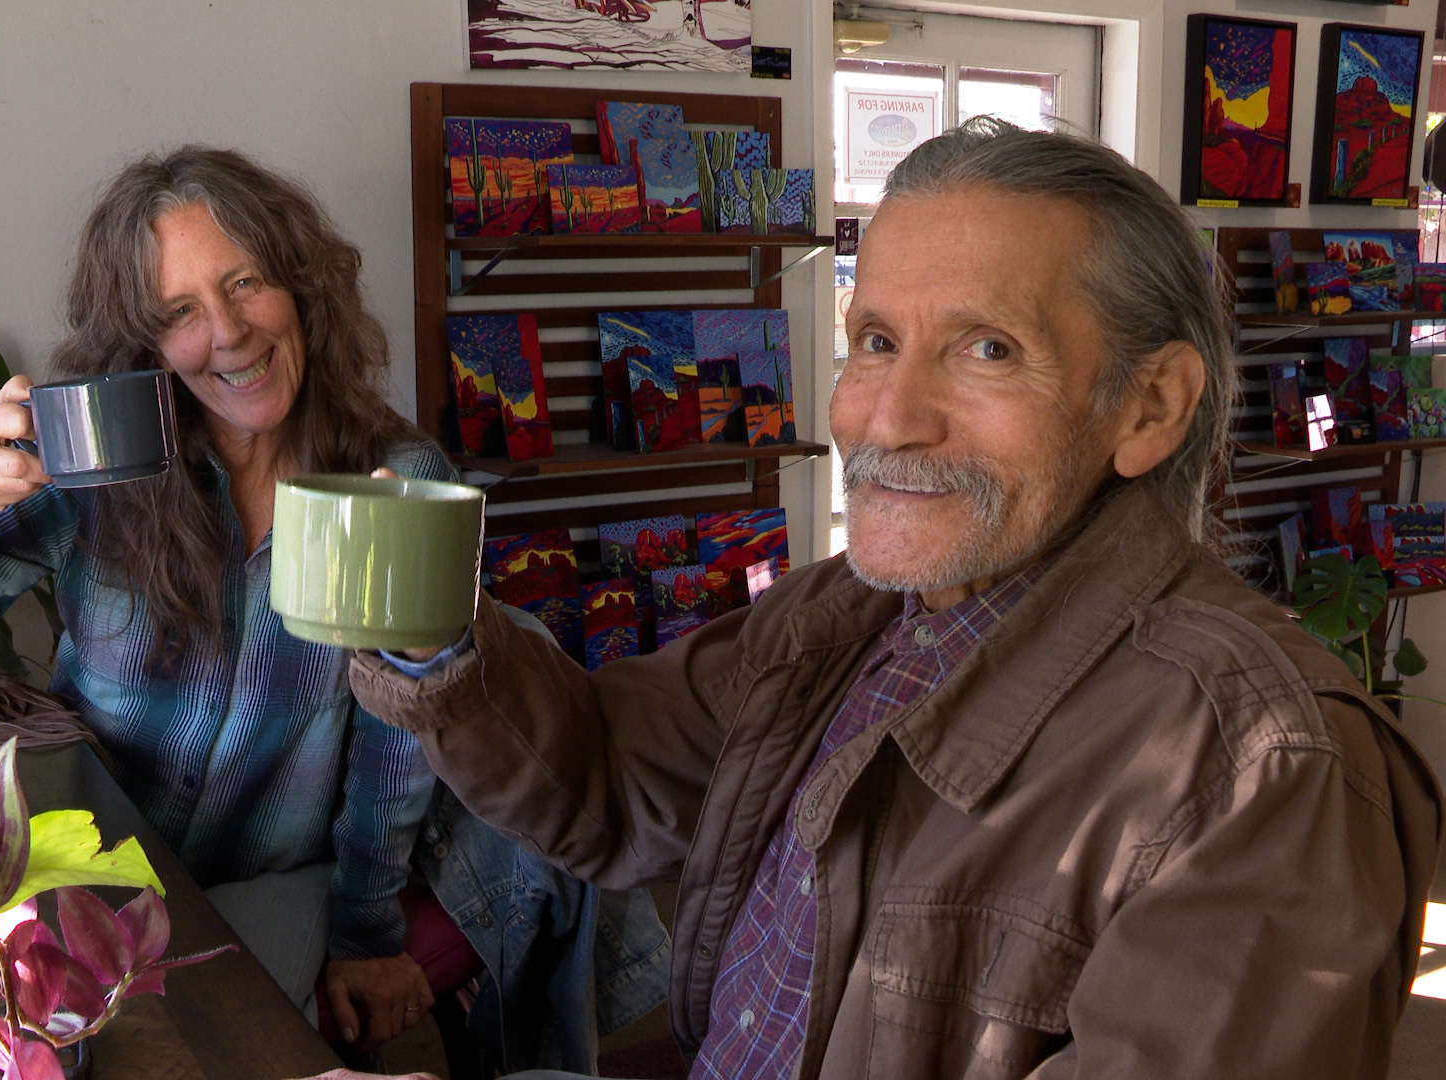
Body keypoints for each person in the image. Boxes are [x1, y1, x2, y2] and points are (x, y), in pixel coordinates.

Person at [322, 120, 1444, 1080]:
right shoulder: (843, 613)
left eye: (987, 349)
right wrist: (432, 627)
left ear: (1148, 408)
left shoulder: (1262, 769)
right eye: (875, 341)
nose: (888, 418)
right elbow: (610, 778)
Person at [0, 147, 667, 1061]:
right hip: (100, 883)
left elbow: (393, 749)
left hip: (277, 889)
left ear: (302, 286)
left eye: (246, 283)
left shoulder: (390, 479)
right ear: (145, 341)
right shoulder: (99, 468)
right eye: (180, 312)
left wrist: (365, 933)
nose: (229, 333)